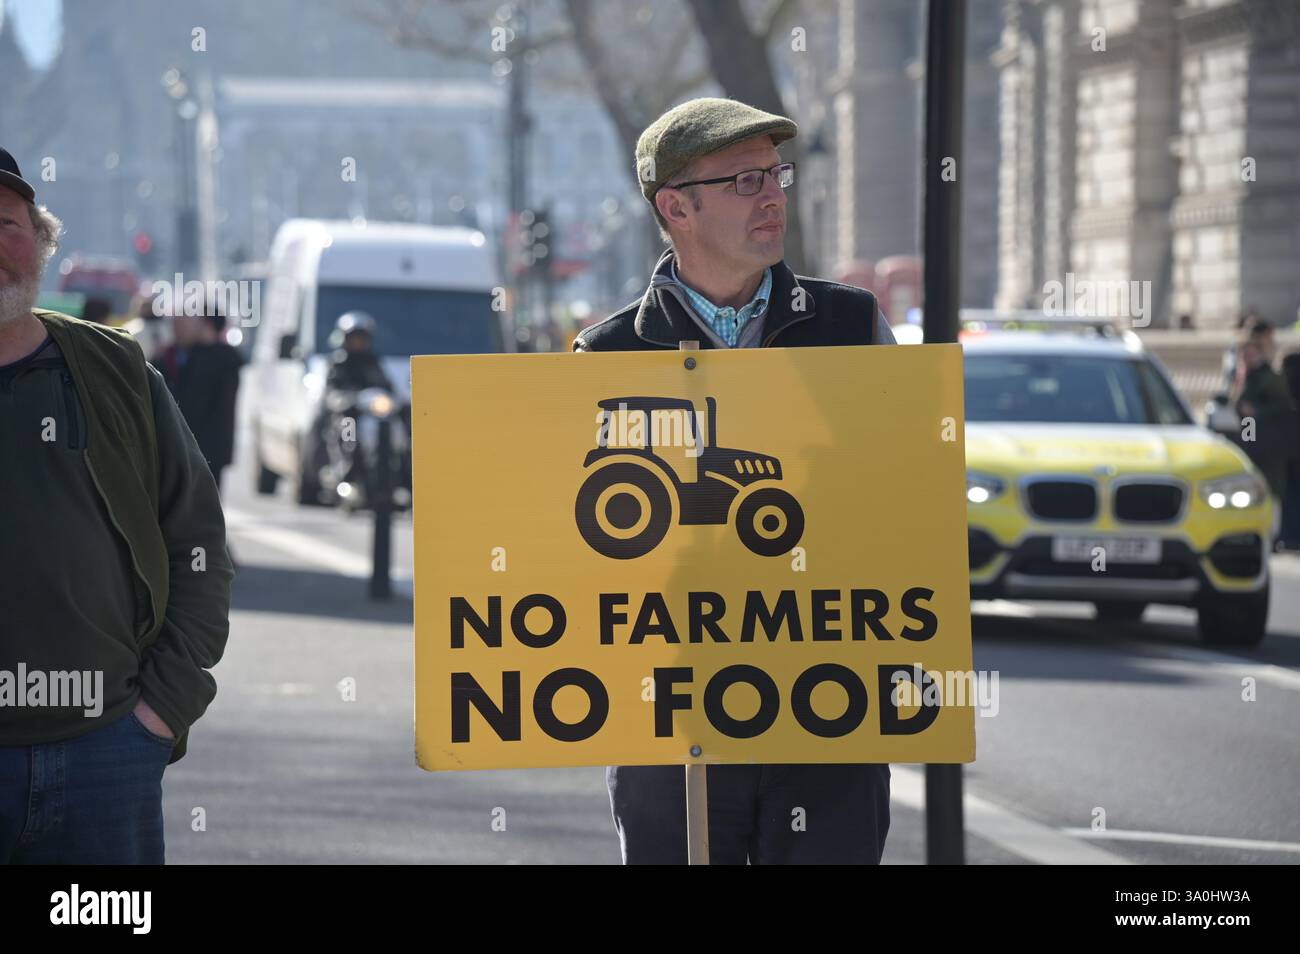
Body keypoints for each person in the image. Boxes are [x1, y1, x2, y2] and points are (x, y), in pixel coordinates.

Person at [573, 99, 894, 864]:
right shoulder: (606, 353)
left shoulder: (853, 326)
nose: (775, 195)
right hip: (672, 716)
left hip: (829, 705)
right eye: (746, 180)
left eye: (777, 173)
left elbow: (902, 492)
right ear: (676, 207)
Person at [0, 147, 233, 863]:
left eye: (5, 224)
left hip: (104, 755)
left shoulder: (114, 368)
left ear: (38, 243)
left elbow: (196, 541)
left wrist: (159, 713)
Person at [154, 306, 242, 495]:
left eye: (189, 324)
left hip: (207, 445)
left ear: (206, 326)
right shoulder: (173, 355)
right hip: (180, 444)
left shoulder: (217, 358)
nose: (178, 330)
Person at [1232, 327, 1294, 502]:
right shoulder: (1244, 378)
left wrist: (1256, 411)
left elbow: (1283, 408)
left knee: (1270, 490)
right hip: (1249, 434)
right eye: (1244, 356)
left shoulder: (1269, 378)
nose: (1247, 359)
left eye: (1250, 355)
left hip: (1267, 441)